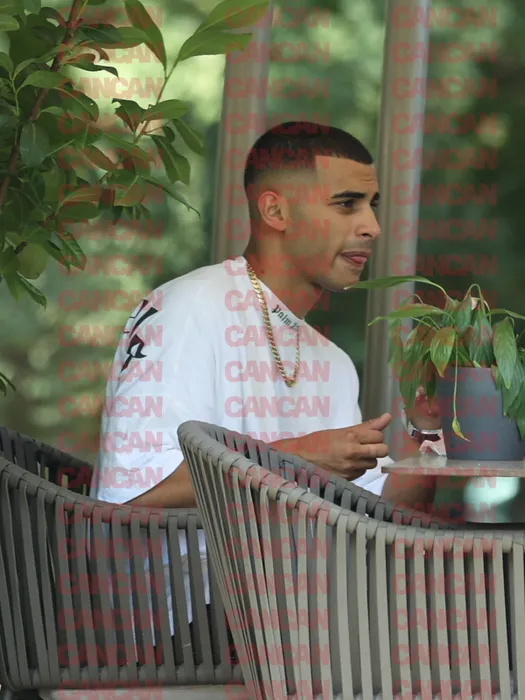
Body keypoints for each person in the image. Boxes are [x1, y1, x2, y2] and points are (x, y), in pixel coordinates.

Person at [90, 120, 440, 659]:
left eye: (372, 206)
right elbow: (131, 496)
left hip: (290, 615)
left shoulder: (333, 363)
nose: (371, 226)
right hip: (183, 627)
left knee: (458, 605)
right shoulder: (188, 307)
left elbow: (380, 515)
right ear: (275, 211)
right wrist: (300, 459)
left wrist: (431, 431)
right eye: (346, 204)